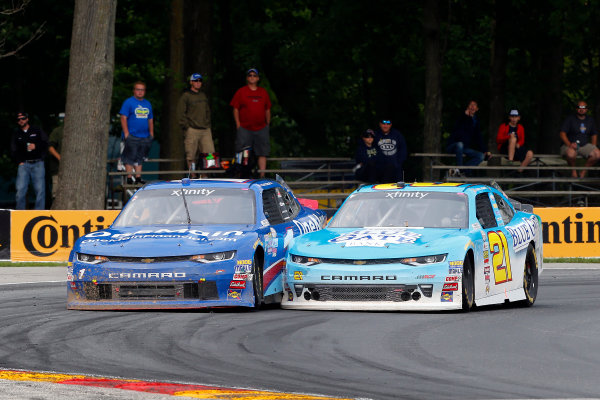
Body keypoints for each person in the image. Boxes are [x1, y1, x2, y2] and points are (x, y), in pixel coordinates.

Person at [230, 68, 272, 178]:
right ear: (247, 78)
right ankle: (241, 174)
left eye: (254, 75)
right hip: (244, 128)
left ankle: (262, 175)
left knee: (262, 152)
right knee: (242, 151)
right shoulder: (241, 92)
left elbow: (267, 109)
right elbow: (235, 109)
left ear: (257, 78)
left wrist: (267, 123)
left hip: (261, 127)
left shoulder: (263, 92)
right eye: (250, 75)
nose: (252, 77)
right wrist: (238, 124)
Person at [176, 73, 214, 177]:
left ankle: (205, 175)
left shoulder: (203, 95)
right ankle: (192, 175)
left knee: (209, 154)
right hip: (192, 129)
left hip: (205, 129)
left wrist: (208, 123)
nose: (198, 83)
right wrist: (187, 126)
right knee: (191, 155)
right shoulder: (186, 96)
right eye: (196, 81)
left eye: (200, 81)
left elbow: (207, 111)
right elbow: (180, 113)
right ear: (191, 82)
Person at [10, 112, 48, 209]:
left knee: (40, 190)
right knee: (20, 190)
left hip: (38, 163)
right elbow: (13, 149)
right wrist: (19, 161)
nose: (21, 121)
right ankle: (20, 214)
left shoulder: (37, 130)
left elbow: (46, 143)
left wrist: (36, 146)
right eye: (18, 119)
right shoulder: (16, 133)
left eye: (23, 118)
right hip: (24, 165)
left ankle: (39, 213)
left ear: (27, 119)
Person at [120, 81, 154, 185]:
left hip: (144, 136)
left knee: (140, 157)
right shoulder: (128, 102)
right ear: (134, 91)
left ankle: (138, 178)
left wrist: (151, 133)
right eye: (138, 89)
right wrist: (126, 133)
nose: (140, 92)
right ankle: (130, 178)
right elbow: (123, 117)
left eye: (142, 90)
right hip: (132, 135)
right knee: (129, 157)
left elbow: (150, 119)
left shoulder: (147, 103)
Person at [447, 100, 491, 175]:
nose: (472, 106)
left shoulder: (475, 121)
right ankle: (460, 169)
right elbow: (457, 130)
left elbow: (478, 137)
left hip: (464, 148)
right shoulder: (461, 116)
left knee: (480, 156)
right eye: (471, 105)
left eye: (474, 105)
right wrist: (465, 116)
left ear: (477, 109)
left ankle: (462, 171)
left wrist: (485, 150)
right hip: (453, 145)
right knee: (460, 144)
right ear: (467, 107)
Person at [559, 100, 600, 178]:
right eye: (579, 107)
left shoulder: (590, 120)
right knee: (571, 154)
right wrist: (569, 144)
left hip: (584, 145)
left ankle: (583, 171)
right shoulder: (570, 119)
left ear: (587, 109)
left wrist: (593, 146)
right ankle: (573, 171)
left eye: (584, 107)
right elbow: (562, 133)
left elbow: (594, 134)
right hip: (570, 145)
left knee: (598, 154)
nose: (581, 109)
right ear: (576, 109)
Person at [374, 118, 407, 182]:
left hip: (395, 169)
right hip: (380, 169)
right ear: (380, 124)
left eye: (388, 124)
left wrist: (399, 163)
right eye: (383, 124)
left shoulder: (397, 135)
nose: (385, 126)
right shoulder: (375, 135)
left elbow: (403, 149)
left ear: (391, 125)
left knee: (398, 187)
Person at [48, 113, 64, 200]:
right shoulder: (57, 131)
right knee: (56, 194)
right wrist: (59, 158)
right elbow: (50, 147)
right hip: (57, 168)